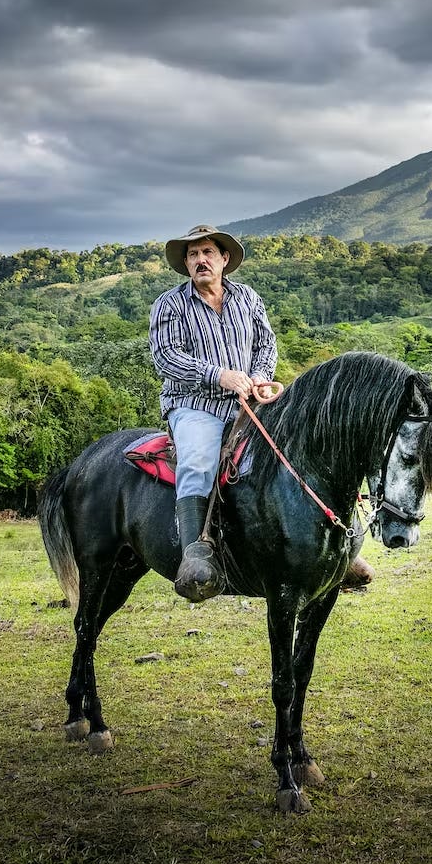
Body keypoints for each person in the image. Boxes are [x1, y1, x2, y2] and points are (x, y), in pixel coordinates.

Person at [150, 224, 276, 601]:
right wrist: (219, 375)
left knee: (290, 448)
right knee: (199, 462)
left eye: (207, 252)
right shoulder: (170, 304)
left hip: (247, 402)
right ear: (186, 264)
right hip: (194, 404)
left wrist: (259, 376)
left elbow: (266, 344)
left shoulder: (248, 298)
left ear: (224, 259)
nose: (200, 260)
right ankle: (195, 556)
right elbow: (166, 357)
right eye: (193, 255)